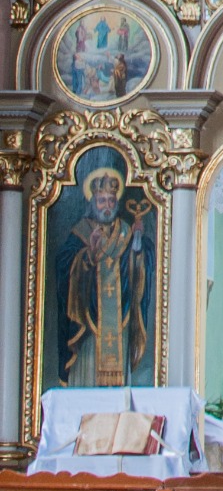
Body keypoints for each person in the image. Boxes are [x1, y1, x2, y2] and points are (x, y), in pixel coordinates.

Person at [55, 153, 154, 387]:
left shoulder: (126, 231)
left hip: (120, 318)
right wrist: (88, 254)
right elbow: (64, 267)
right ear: (93, 202)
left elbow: (139, 268)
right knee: (89, 371)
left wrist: (137, 241)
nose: (107, 206)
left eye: (111, 201)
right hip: (89, 323)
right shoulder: (81, 231)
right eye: (102, 201)